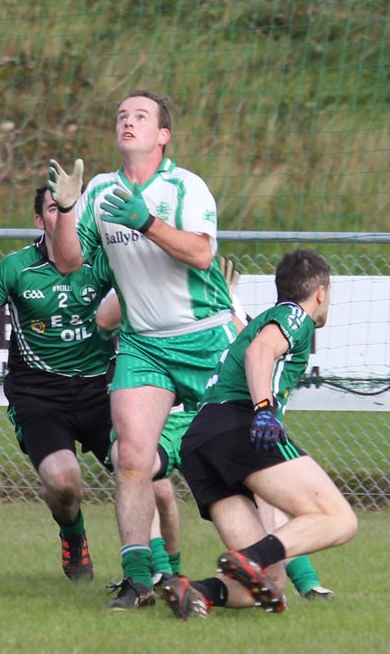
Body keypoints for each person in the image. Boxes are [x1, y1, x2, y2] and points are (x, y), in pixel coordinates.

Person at [47, 90, 239, 609]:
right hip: (143, 344)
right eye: (121, 116)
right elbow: (68, 262)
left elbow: (201, 253)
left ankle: (275, 566)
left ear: (162, 134)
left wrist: (147, 222)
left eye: (140, 116)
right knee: (131, 458)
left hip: (205, 338)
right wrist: (67, 210)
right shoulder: (102, 190)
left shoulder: (185, 186)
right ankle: (137, 580)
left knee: (241, 460)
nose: (127, 123)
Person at [162, 249, 358, 619]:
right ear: (320, 292)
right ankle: (248, 558)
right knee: (339, 519)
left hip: (200, 441)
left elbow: (252, 346)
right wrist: (265, 409)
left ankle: (195, 592)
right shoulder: (295, 315)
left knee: (269, 583)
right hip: (238, 426)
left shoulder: (268, 317)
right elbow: (260, 352)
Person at [0, 184, 115, 581]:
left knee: (144, 473)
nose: (63, 217)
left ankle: (151, 571)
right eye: (55, 209)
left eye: (70, 209)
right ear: (40, 220)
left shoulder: (104, 262)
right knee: (64, 483)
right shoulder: (17, 267)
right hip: (40, 398)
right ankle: (73, 536)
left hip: (102, 392)